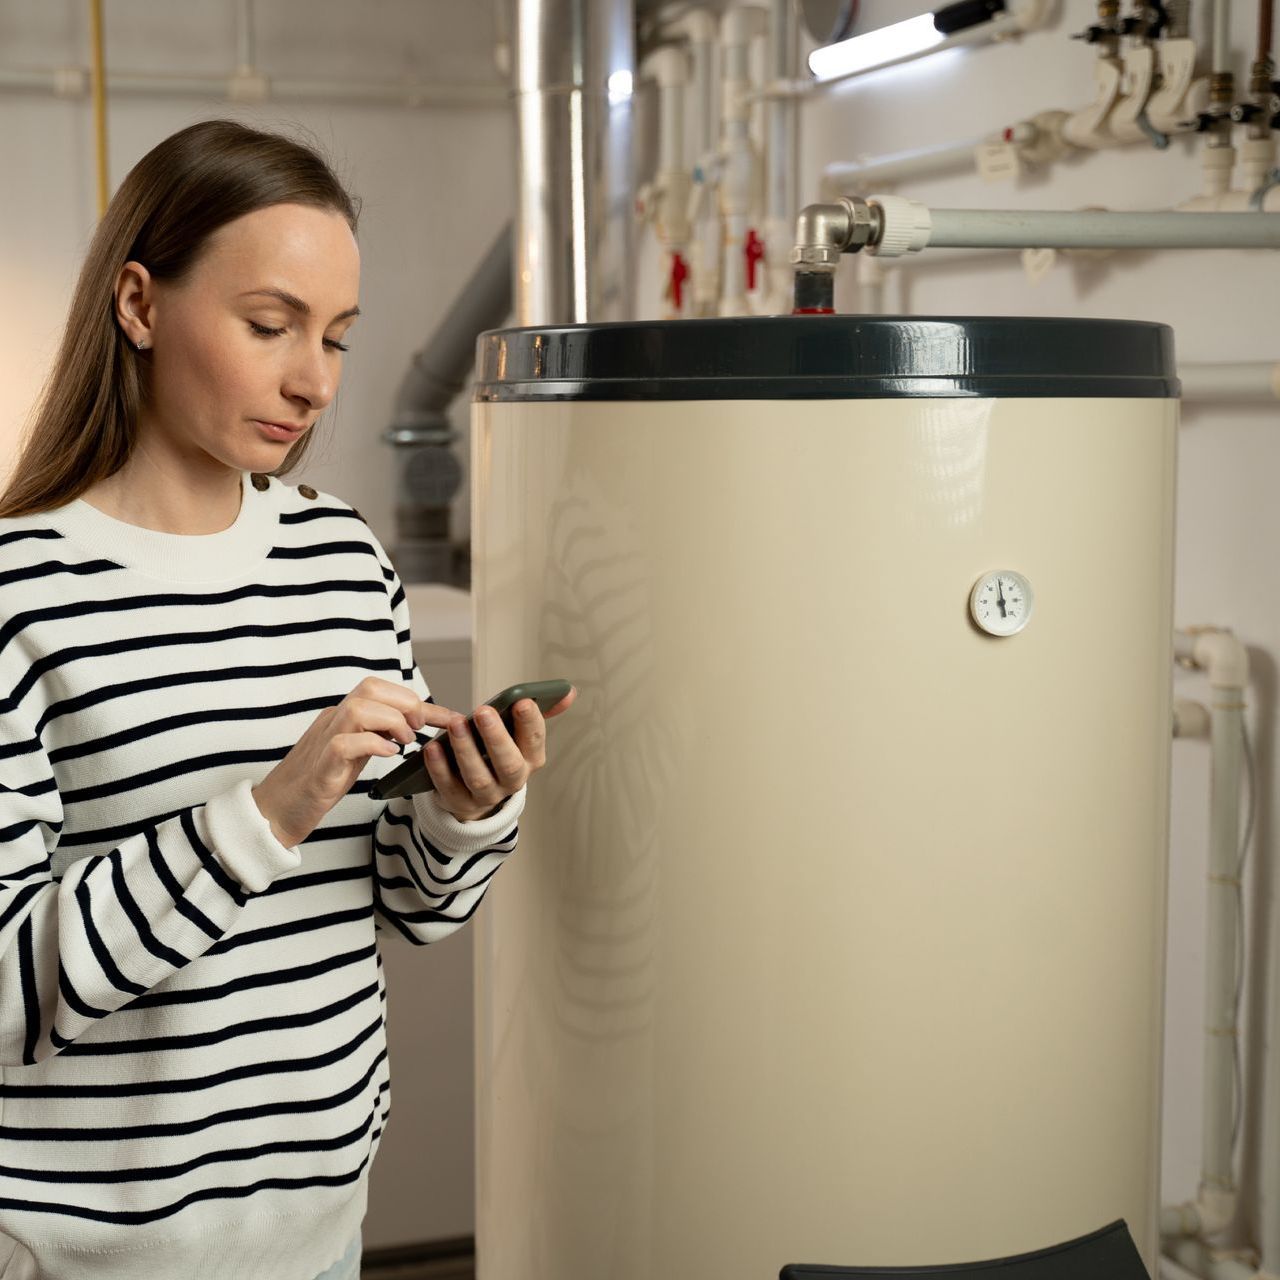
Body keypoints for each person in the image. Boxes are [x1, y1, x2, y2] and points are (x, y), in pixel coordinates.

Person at [0, 118, 574, 1280]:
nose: (311, 379)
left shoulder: (343, 560)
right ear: (140, 303)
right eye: (269, 326)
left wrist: (464, 810)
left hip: (318, 1224)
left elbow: (412, 906)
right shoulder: (23, 593)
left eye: (339, 338)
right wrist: (261, 814)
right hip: (86, 1249)